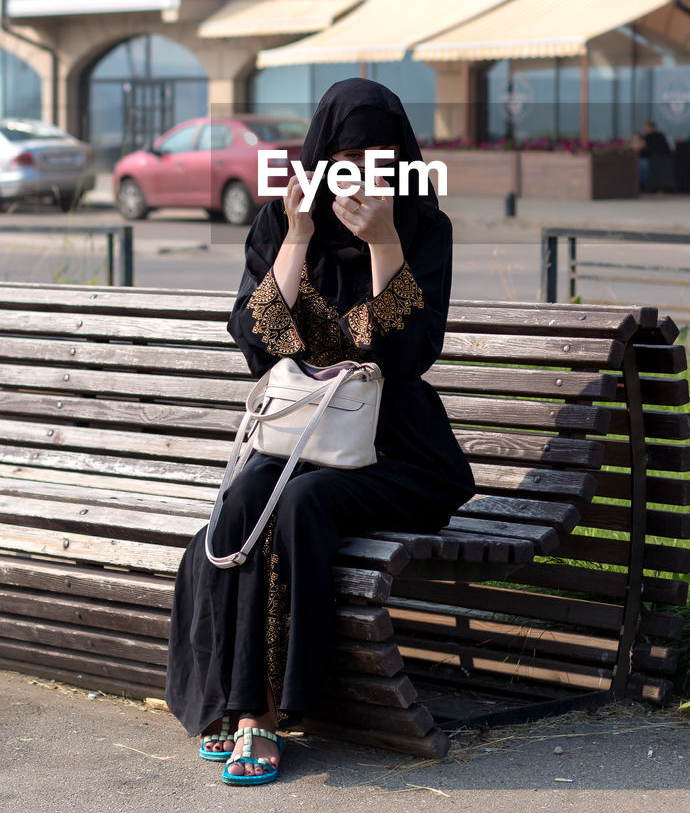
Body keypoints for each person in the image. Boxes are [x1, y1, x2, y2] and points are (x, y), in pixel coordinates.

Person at [164, 78, 475, 785]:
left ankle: (265, 717)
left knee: (302, 506)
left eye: (381, 157)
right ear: (322, 158)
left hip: (399, 453)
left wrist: (384, 243)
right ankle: (235, 704)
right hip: (301, 441)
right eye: (348, 158)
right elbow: (259, 342)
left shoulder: (422, 224)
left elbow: (405, 357)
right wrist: (299, 235)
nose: (364, 173)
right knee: (242, 506)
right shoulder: (283, 222)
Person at [634, 119, 672, 192]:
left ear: (649, 127)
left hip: (652, 161)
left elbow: (637, 148)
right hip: (664, 162)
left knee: (640, 166)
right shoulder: (661, 135)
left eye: (645, 128)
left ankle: (643, 188)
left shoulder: (648, 136)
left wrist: (636, 140)